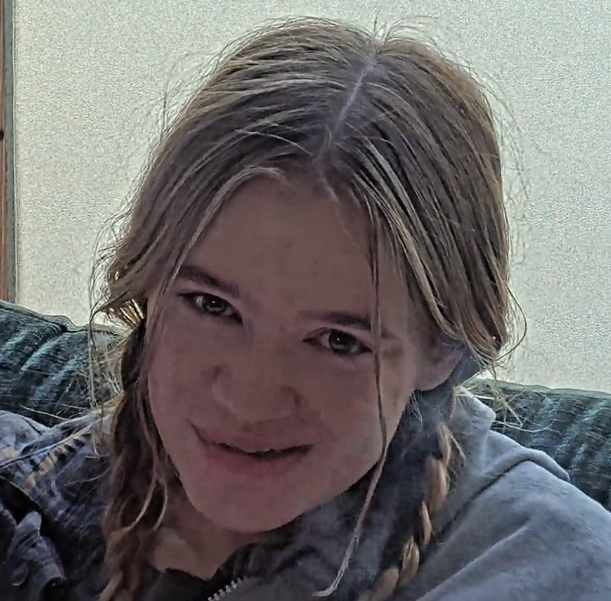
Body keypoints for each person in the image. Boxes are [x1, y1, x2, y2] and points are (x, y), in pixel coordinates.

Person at [1, 17, 610, 601]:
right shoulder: (28, 498)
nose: (250, 399)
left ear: (442, 351)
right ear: (147, 287)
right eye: (213, 306)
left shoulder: (549, 568)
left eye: (339, 341)